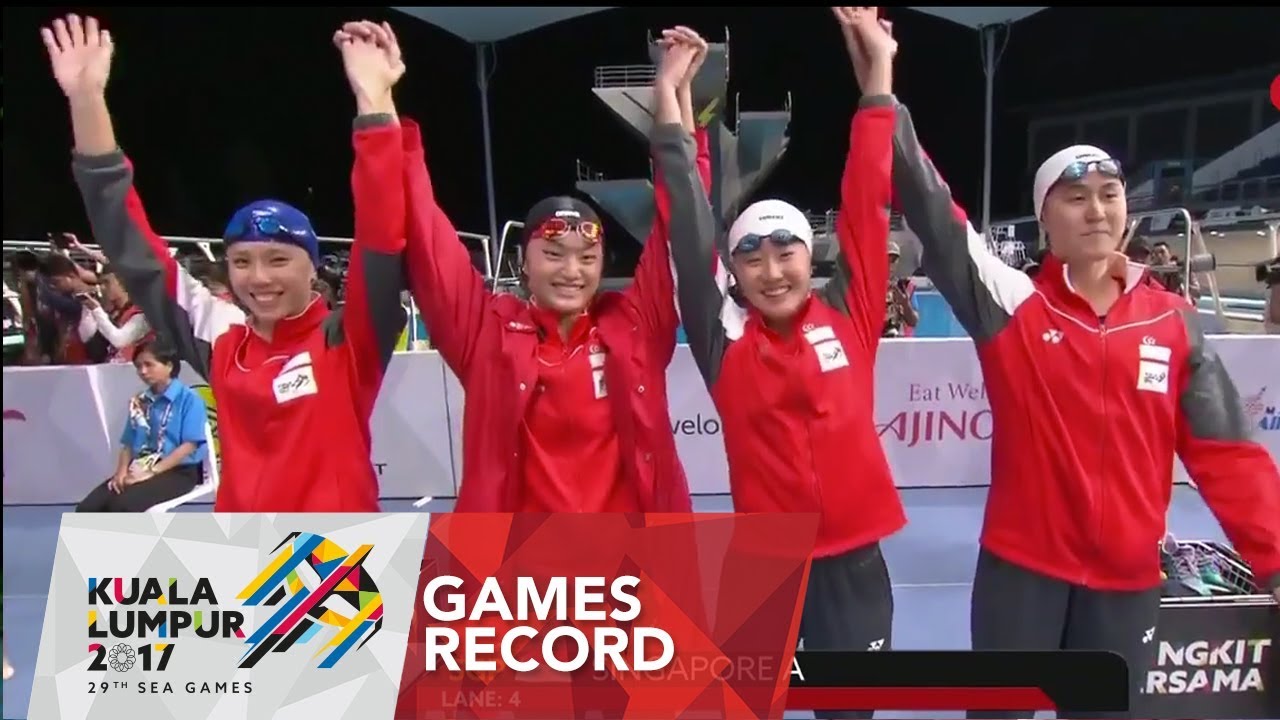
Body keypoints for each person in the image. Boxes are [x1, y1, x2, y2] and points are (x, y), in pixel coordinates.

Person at [887, 53, 1280, 720]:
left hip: (1127, 583)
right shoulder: (1012, 304)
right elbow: (931, 211)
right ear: (1044, 219)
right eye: (1075, 198)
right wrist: (881, 92)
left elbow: (1230, 457)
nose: (1096, 210)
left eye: (1109, 194)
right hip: (1021, 575)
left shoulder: (1172, 321)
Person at [45, 14, 409, 511]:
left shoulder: (348, 336)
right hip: (244, 548)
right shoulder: (222, 337)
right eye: (241, 262)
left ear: (313, 267)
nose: (258, 278)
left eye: (278, 259)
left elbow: (383, 231)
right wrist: (86, 99)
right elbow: (128, 243)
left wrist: (375, 101)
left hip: (338, 552)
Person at [662, 9, 903, 717]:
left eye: (785, 251)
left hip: (855, 563)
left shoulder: (852, 313)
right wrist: (671, 99)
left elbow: (869, 195)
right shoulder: (723, 338)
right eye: (751, 257)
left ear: (810, 255)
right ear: (733, 272)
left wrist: (879, 73)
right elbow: (687, 223)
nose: (771, 271)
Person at [401, 28, 712, 512]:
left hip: (632, 555)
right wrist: (381, 109)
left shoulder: (635, 328)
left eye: (587, 258)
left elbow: (686, 223)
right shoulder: (486, 335)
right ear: (522, 262)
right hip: (524, 558)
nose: (572, 271)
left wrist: (674, 94)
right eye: (553, 253)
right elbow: (427, 239)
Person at [76, 341, 209, 512]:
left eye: (149, 365)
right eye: (138, 366)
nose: (143, 371)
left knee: (122, 505)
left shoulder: (190, 399)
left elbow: (189, 446)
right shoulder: (140, 401)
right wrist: (121, 472)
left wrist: (152, 472)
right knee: (86, 508)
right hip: (141, 466)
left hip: (177, 471)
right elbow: (128, 444)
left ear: (169, 366)